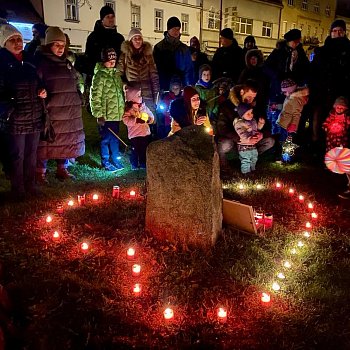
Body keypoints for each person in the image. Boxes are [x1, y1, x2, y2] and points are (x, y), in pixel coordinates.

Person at [0, 23, 46, 198]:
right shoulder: (2, 63)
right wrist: (8, 108)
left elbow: (38, 81)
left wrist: (42, 90)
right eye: (12, 40)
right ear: (4, 43)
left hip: (33, 114)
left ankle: (31, 185)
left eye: (19, 39)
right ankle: (18, 189)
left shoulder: (29, 61)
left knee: (31, 153)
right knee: (17, 155)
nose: (18, 42)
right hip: (15, 117)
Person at [35, 26, 85, 183]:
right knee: (46, 142)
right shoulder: (41, 63)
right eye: (56, 44)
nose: (60, 48)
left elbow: (74, 82)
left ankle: (62, 169)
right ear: (48, 45)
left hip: (68, 112)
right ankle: (40, 172)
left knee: (65, 141)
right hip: (52, 111)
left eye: (62, 45)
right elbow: (36, 84)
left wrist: (78, 97)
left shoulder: (66, 64)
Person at [216, 80, 275, 172]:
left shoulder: (254, 107)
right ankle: (224, 167)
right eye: (249, 96)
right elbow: (222, 128)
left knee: (270, 141)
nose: (251, 99)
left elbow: (265, 125)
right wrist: (240, 138)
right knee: (224, 144)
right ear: (242, 92)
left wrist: (260, 135)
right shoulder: (227, 106)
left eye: (253, 97)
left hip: (251, 143)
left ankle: (249, 159)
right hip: (235, 141)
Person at [310, 19, 350, 149]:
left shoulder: (348, 51)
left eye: (340, 31)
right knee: (320, 120)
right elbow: (314, 71)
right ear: (330, 32)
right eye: (334, 31)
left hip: (341, 94)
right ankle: (318, 146)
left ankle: (337, 149)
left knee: (340, 125)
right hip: (322, 92)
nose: (337, 34)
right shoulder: (322, 51)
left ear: (344, 33)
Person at [90, 48, 125, 172]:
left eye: (114, 59)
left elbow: (120, 92)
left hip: (115, 114)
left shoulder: (116, 75)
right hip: (105, 115)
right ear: (104, 60)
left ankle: (115, 158)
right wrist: (98, 114)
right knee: (105, 139)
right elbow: (95, 95)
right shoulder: (99, 76)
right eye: (109, 59)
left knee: (115, 137)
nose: (112, 62)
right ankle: (105, 160)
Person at [117, 28, 159, 114]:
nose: (138, 41)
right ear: (130, 40)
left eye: (139, 38)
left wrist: (156, 95)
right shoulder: (124, 56)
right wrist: (125, 86)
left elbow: (154, 76)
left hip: (147, 94)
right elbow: (118, 75)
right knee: (135, 121)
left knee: (150, 120)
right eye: (135, 38)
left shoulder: (148, 55)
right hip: (133, 94)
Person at [265, 29, 309, 104]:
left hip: (293, 89)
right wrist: (277, 76)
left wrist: (299, 81)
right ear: (289, 41)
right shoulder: (279, 52)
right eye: (295, 41)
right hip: (278, 89)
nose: (297, 44)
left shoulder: (300, 53)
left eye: (298, 41)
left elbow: (306, 69)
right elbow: (266, 66)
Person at [84, 5, 125, 83]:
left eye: (112, 16)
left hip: (115, 78)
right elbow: (89, 59)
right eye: (108, 16)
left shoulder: (119, 38)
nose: (111, 19)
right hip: (99, 78)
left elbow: (122, 58)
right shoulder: (93, 37)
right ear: (102, 19)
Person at [153, 16, 194, 90]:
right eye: (174, 29)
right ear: (169, 29)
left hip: (181, 87)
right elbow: (155, 70)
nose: (177, 31)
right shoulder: (159, 47)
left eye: (178, 29)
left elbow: (189, 69)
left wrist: (188, 87)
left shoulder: (184, 49)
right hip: (164, 87)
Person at [322, 97, 350, 199]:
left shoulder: (346, 116)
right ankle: (330, 163)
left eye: (341, 108)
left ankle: (339, 165)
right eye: (337, 107)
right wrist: (326, 127)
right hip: (331, 138)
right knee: (330, 151)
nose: (339, 109)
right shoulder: (331, 114)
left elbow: (348, 124)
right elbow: (326, 123)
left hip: (341, 138)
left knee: (340, 153)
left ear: (345, 108)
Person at [122, 85, 154, 170]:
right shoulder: (129, 109)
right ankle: (134, 164)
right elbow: (126, 120)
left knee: (144, 150)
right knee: (135, 150)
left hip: (145, 133)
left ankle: (144, 163)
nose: (140, 97)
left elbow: (151, 115)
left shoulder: (143, 107)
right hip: (135, 134)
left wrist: (149, 120)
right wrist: (136, 120)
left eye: (140, 94)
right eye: (138, 95)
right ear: (132, 97)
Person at [234, 103, 264, 174]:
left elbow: (256, 129)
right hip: (244, 146)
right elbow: (242, 134)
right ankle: (246, 172)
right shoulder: (239, 123)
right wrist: (249, 138)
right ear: (242, 115)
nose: (251, 115)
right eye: (248, 114)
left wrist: (260, 123)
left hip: (253, 145)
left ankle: (253, 169)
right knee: (246, 159)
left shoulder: (252, 121)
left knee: (254, 157)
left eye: (251, 112)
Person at [238, 48, 269, 117]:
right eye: (251, 58)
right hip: (247, 100)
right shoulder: (245, 72)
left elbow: (265, 86)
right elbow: (240, 85)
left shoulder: (262, 72)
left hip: (260, 100)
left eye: (255, 58)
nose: (253, 60)